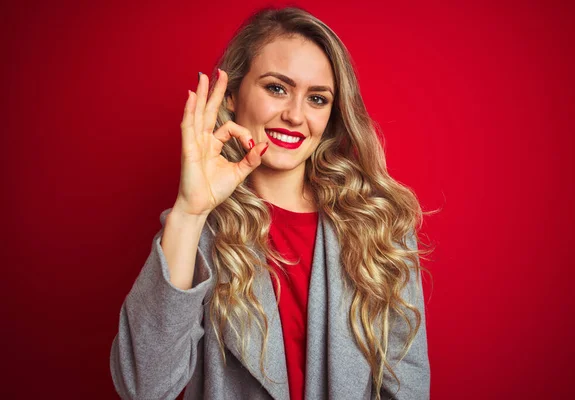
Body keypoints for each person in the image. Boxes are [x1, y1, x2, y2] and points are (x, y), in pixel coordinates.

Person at [110, 6, 431, 400]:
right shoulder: (197, 231)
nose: (295, 115)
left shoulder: (379, 226)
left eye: (317, 98)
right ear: (231, 96)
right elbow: (143, 387)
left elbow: (407, 386)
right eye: (276, 88)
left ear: (331, 116)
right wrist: (189, 212)